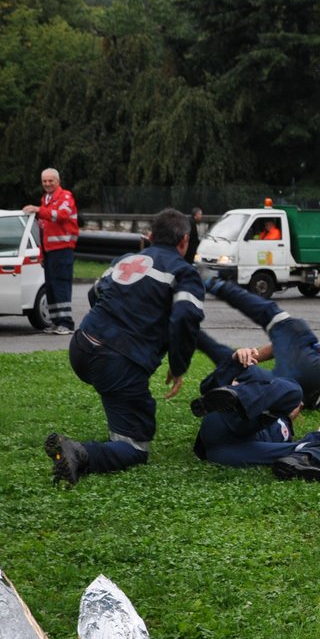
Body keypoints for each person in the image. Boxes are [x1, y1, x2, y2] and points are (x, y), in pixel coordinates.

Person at [43, 208, 206, 486]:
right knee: (135, 449)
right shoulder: (184, 273)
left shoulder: (125, 260)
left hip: (82, 346)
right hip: (117, 361)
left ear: (151, 236)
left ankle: (115, 429)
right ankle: (79, 453)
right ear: (185, 240)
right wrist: (178, 366)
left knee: (118, 398)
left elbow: (94, 294)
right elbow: (185, 319)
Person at [190, 332, 320, 481]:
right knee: (293, 390)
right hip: (228, 419)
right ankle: (237, 397)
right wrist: (234, 360)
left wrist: (319, 435)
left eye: (300, 406)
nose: (299, 405)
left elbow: (299, 445)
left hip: (226, 451)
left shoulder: (286, 434)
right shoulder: (265, 392)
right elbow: (207, 388)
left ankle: (296, 463)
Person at [196, 276, 320, 410]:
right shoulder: (301, 351)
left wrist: (248, 359)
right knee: (281, 322)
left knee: (239, 365)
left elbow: (278, 349)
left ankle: (209, 288)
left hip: (304, 389)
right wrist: (250, 357)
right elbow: (280, 348)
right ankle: (213, 284)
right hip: (306, 390)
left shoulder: (295, 353)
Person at [23, 168, 80, 334]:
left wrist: (38, 210)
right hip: (49, 251)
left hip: (63, 249)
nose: (47, 184)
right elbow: (43, 229)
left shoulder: (65, 197)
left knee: (61, 286)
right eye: (44, 181)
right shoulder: (46, 199)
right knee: (51, 287)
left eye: (50, 181)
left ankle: (66, 323)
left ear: (58, 181)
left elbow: (62, 215)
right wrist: (42, 253)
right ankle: (56, 322)